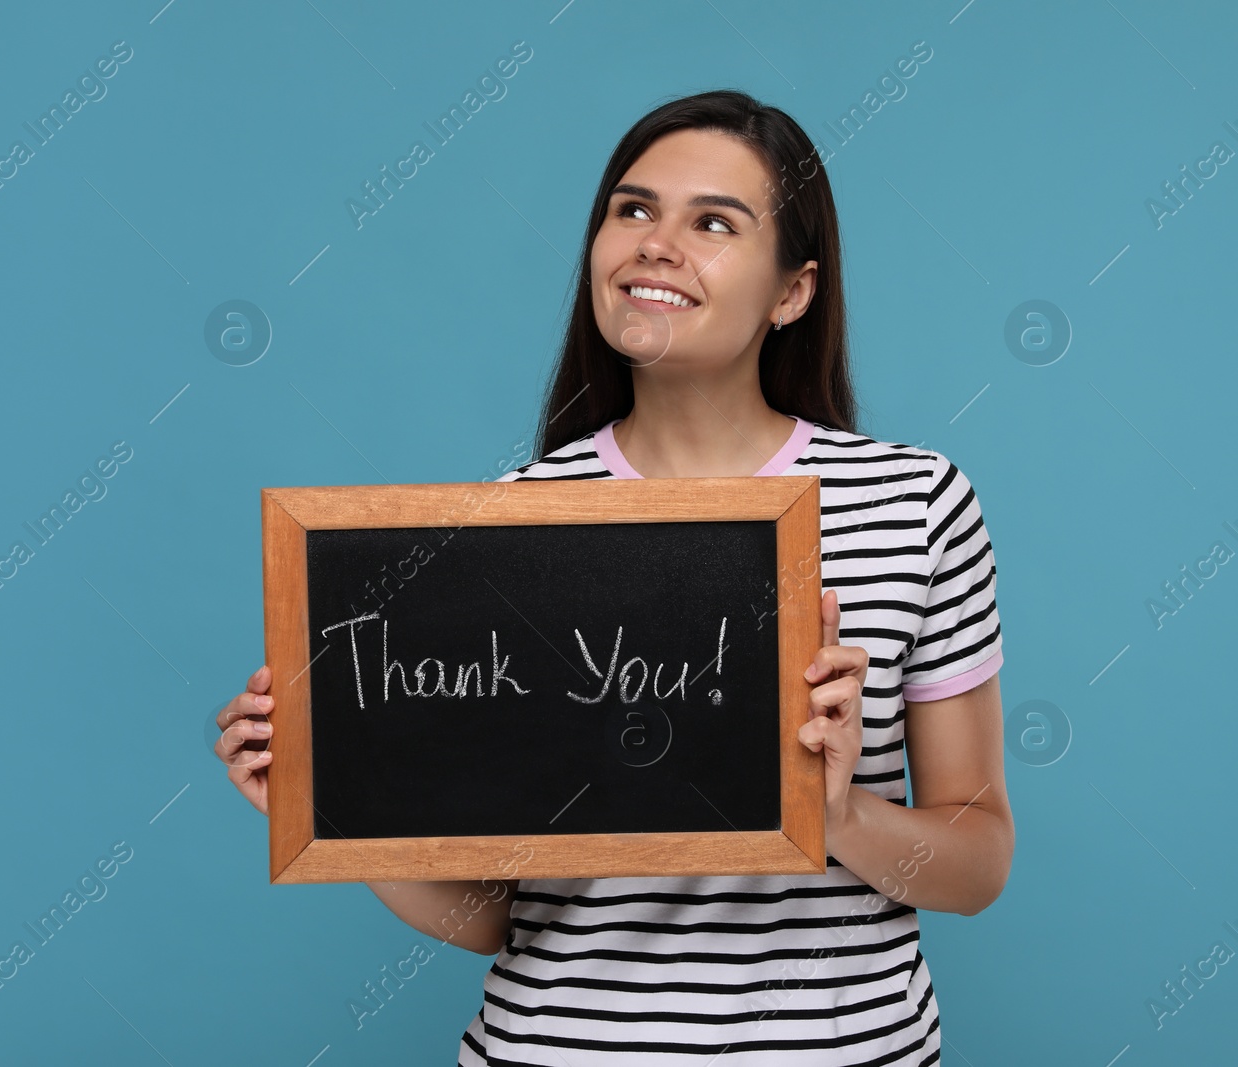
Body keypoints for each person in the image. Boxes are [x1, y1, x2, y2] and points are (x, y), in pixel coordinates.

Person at [213, 89, 1013, 1065]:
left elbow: (974, 863)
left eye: (712, 221)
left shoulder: (912, 503)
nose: (654, 243)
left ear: (792, 291)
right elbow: (495, 915)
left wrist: (837, 809)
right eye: (632, 210)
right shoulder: (507, 523)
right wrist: (330, 802)